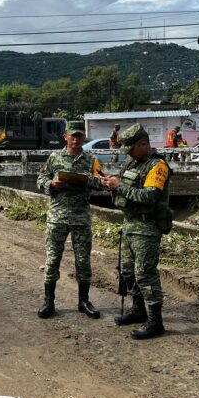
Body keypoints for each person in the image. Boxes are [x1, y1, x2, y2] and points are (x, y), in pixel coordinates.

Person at [101, 124, 171, 340]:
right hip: (130, 224)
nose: (129, 154)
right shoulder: (133, 162)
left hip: (146, 228)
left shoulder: (157, 166)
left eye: (131, 149)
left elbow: (149, 196)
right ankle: (138, 309)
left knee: (145, 275)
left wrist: (119, 187)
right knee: (128, 271)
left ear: (143, 144)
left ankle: (155, 321)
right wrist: (111, 183)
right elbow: (124, 184)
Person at [36, 122, 104, 320]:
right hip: (57, 216)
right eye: (72, 136)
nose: (76, 140)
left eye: (80, 136)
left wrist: (85, 180)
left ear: (84, 138)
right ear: (65, 136)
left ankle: (84, 301)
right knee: (52, 259)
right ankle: (49, 301)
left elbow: (102, 182)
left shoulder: (91, 159)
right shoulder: (54, 157)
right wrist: (51, 184)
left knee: (83, 260)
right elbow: (41, 179)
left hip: (81, 216)